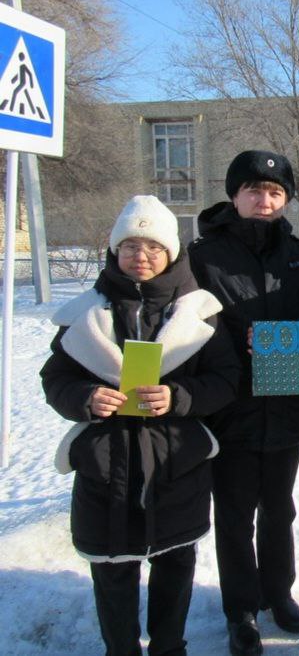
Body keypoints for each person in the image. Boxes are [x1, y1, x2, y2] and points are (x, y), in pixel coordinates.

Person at [41, 195, 241, 656]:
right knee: (112, 569)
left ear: (171, 252)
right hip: (106, 464)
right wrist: (86, 397)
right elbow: (56, 379)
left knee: (174, 565)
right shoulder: (86, 315)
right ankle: (121, 649)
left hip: (176, 462)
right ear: (115, 251)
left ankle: (169, 647)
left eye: (153, 247)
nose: (141, 256)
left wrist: (178, 396)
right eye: (130, 246)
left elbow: (226, 379)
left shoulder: (198, 314)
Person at [188, 151, 299, 656]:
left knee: (280, 509)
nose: (264, 200)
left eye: (274, 192)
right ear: (234, 195)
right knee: (234, 514)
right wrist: (238, 341)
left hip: (289, 408)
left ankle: (279, 593)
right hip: (230, 410)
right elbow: (190, 325)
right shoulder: (203, 258)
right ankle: (241, 610)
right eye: (254, 190)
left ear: (285, 199)